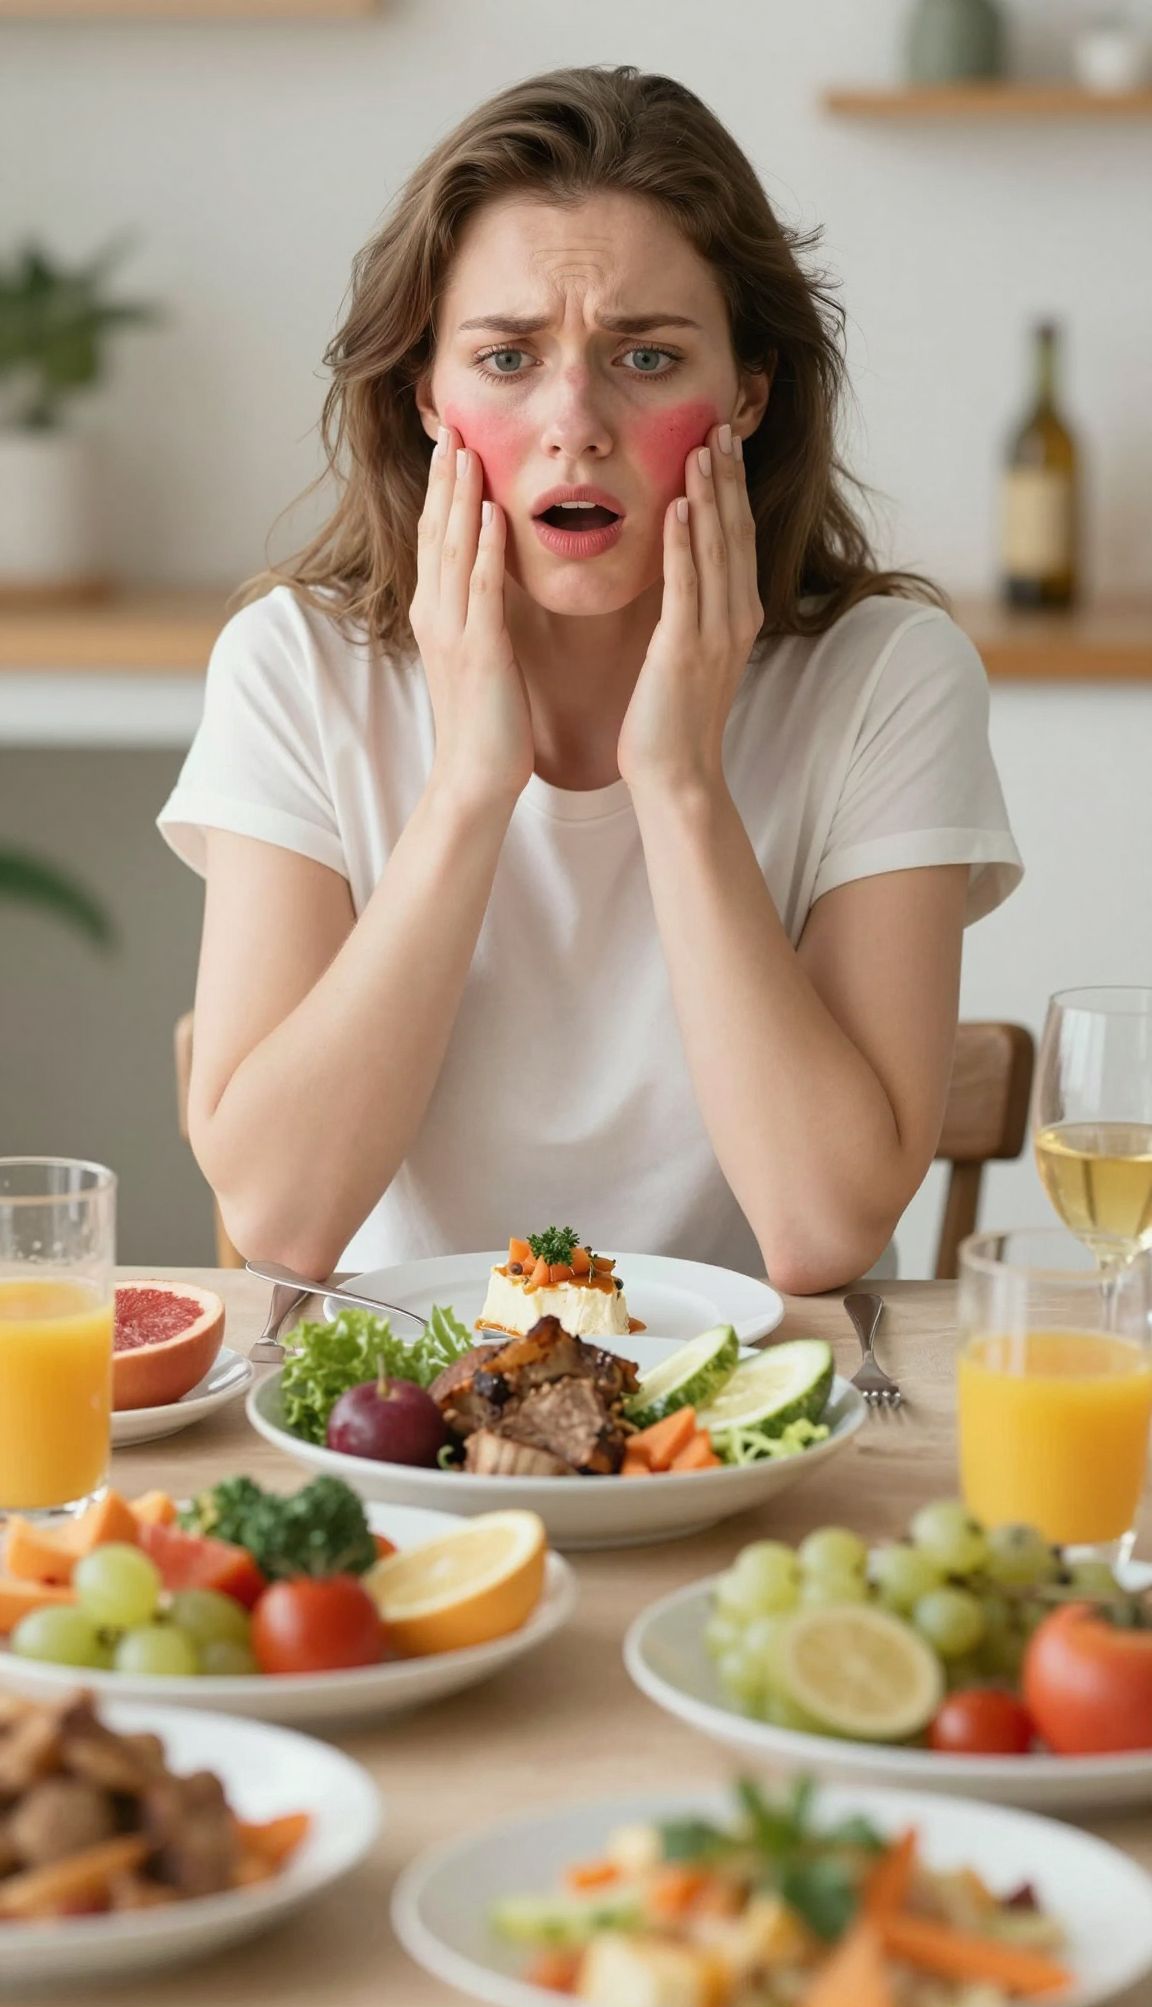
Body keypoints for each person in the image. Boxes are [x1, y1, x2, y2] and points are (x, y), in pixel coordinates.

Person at [158, 64, 1021, 1294]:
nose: (576, 420)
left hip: (761, 1427)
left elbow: (823, 1231)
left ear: (750, 397)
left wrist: (676, 783)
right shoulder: (292, 667)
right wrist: (468, 786)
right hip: (407, 1424)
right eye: (508, 358)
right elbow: (282, 1222)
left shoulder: (889, 677)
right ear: (425, 400)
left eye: (649, 358)